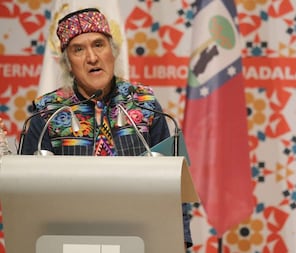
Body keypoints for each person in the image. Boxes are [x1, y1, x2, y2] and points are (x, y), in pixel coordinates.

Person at [11, 8, 192, 248]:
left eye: (99, 45)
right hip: (68, 241)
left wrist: (180, 241)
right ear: (67, 63)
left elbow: (174, 185)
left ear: (113, 52)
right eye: (78, 49)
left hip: (140, 237)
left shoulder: (145, 104)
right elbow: (27, 192)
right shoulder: (48, 112)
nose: (92, 57)